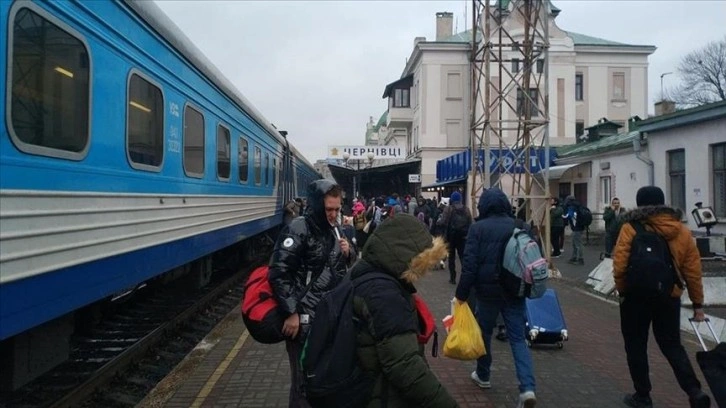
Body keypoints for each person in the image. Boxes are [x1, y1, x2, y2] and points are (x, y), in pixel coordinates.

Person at [612, 186, 710, 408]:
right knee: (672, 345)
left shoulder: (631, 227)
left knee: (636, 345)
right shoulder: (682, 231)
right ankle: (694, 391)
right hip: (668, 296)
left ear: (640, 204)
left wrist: (623, 289)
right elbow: (693, 272)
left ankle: (643, 395)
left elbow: (619, 263)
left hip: (635, 296)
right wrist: (698, 304)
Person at [351, 214, 458, 407]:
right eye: (422, 264)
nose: (423, 273)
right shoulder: (385, 296)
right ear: (406, 255)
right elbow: (405, 367)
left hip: (365, 386)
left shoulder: (364, 273)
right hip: (381, 395)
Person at [269, 179, 357, 407]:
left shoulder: (336, 230)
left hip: (328, 318)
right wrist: (291, 313)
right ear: (317, 205)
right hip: (303, 320)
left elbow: (339, 269)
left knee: (322, 379)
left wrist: (349, 254)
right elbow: (279, 272)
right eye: (329, 209)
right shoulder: (298, 228)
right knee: (302, 383)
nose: (334, 214)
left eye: (337, 209)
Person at [455, 188, 537, 408]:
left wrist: (461, 295)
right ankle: (527, 388)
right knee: (518, 339)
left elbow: (469, 266)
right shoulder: (521, 226)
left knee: (484, 333)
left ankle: (483, 375)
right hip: (515, 290)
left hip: (487, 292)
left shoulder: (477, 229)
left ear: (484, 206)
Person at [437, 191, 473, 284]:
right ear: (460, 199)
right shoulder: (466, 209)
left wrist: (438, 222)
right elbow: (470, 223)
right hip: (463, 238)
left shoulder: (448, 209)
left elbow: (443, 222)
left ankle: (452, 278)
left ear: (452, 199)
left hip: (451, 237)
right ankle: (466, 277)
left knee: (451, 259)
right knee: (463, 258)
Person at [563, 195, 585, 265]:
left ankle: (580, 259)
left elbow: (570, 216)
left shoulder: (572, 206)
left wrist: (563, 216)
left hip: (576, 227)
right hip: (579, 226)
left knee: (577, 244)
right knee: (575, 243)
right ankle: (574, 257)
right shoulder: (578, 205)